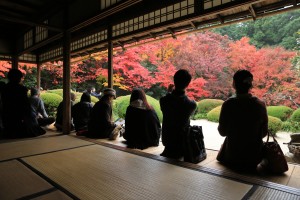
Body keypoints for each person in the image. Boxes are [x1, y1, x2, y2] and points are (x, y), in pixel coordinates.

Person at [217, 69, 268, 172]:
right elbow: (263, 133)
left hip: (232, 157)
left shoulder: (228, 104)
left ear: (234, 84)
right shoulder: (260, 105)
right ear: (250, 85)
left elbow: (222, 132)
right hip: (254, 159)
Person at [160, 69, 197, 159]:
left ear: (174, 81)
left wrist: (168, 92)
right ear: (187, 84)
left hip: (167, 140)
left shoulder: (163, 100)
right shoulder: (191, 104)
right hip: (182, 142)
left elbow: (170, 102)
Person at [1, 69, 45, 138]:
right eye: (20, 78)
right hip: (19, 119)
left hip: (6, 118)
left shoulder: (4, 89)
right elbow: (26, 106)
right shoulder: (22, 89)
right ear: (18, 78)